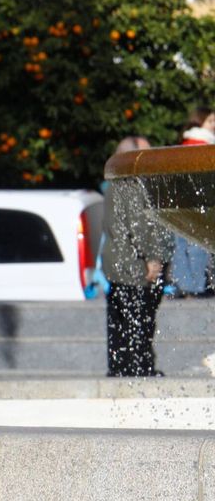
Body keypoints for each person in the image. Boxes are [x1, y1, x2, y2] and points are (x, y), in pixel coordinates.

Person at [102, 135, 171, 377]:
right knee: (139, 321)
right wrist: (152, 260)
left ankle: (122, 367)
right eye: (146, 153)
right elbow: (139, 227)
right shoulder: (131, 185)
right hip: (134, 266)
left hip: (120, 265)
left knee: (122, 321)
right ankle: (139, 367)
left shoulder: (116, 183)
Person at [166, 108, 215, 297]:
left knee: (182, 245)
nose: (214, 125)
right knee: (198, 245)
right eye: (210, 121)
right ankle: (195, 288)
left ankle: (184, 286)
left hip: (180, 203)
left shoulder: (185, 143)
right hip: (197, 202)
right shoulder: (203, 145)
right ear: (199, 122)